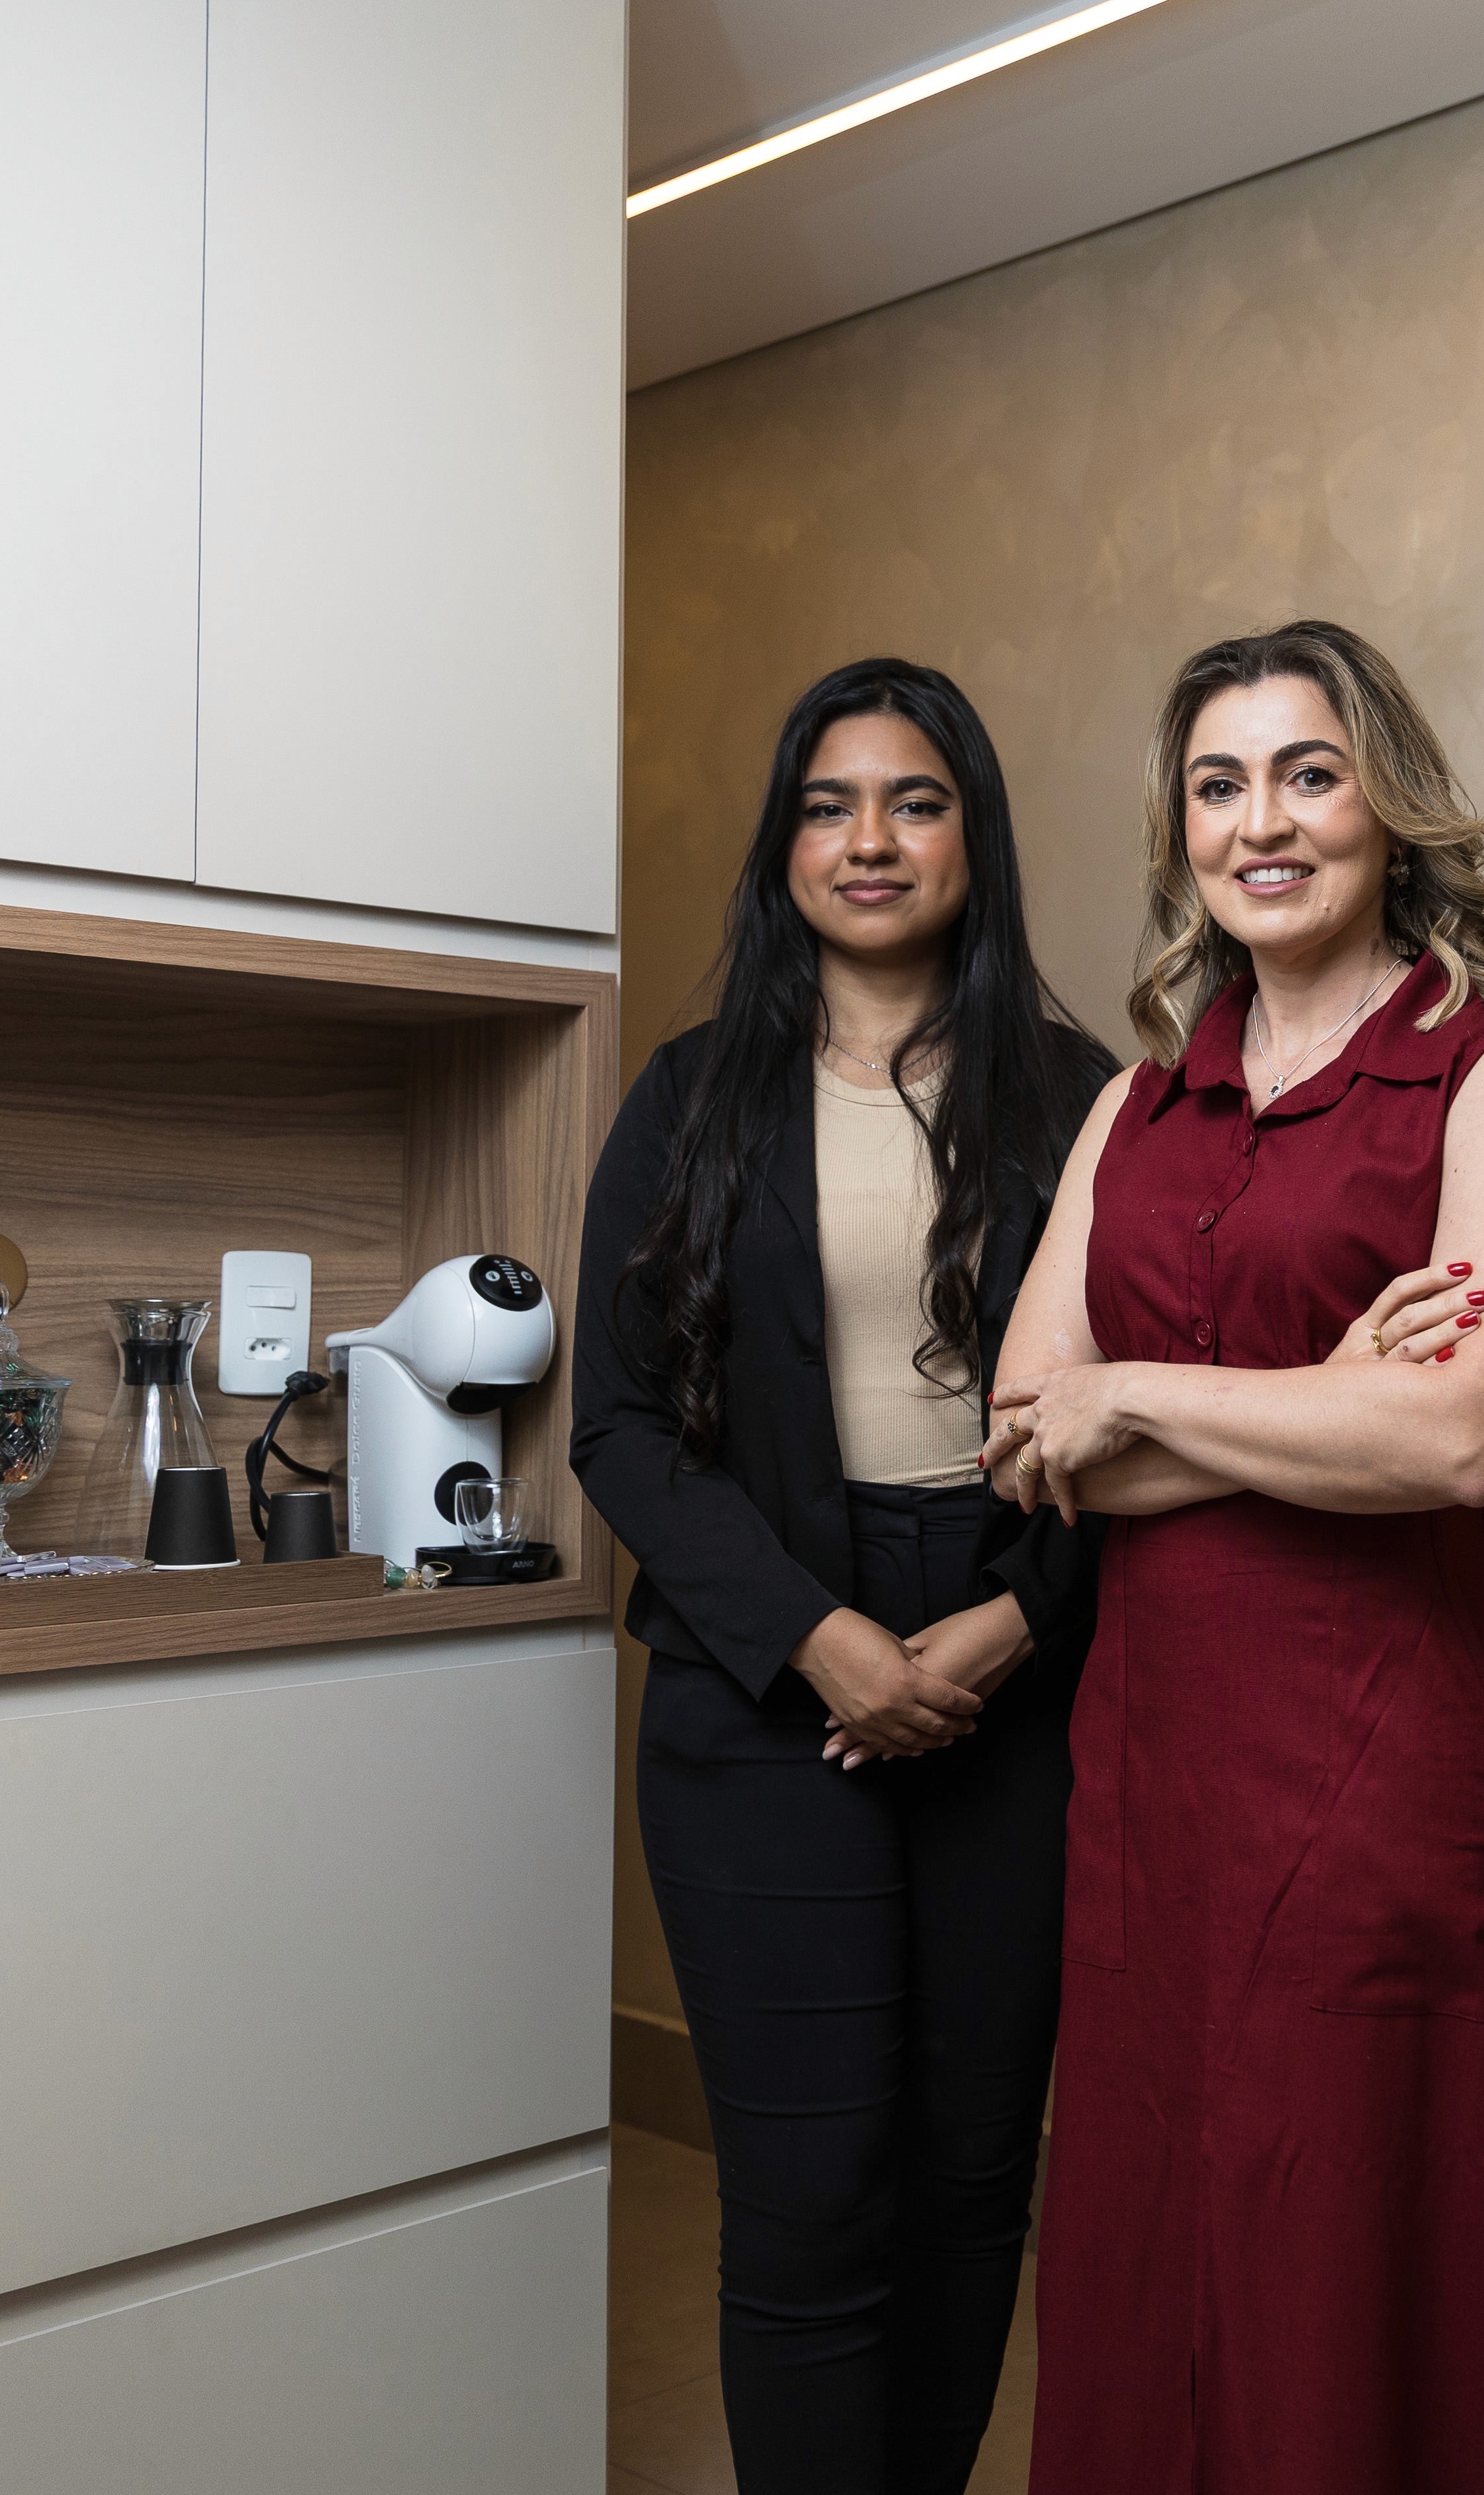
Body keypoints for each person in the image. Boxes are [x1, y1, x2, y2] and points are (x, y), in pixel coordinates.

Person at [979, 620, 1484, 2495]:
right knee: (1158, 2227)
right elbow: (1023, 1439)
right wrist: (1307, 1396)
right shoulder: (1130, 1105)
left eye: (1309, 774)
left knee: (1345, 2233)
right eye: (1220, 785)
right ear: (1182, 838)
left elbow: (1460, 1436)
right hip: (1153, 1760)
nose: (1266, 823)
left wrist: (1146, 1398)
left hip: (1381, 1751)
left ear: (1385, 806)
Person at [569, 658, 1115, 2495]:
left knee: (969, 2197)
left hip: (1012, 1682)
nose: (869, 840)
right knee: (809, 2206)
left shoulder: (1082, 1093)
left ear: (978, 834)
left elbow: (1146, 1405)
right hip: (756, 1701)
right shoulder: (689, 1097)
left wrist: (1025, 1616)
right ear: (783, 843)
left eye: (915, 801)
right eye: (828, 803)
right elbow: (623, 1426)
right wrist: (819, 1641)